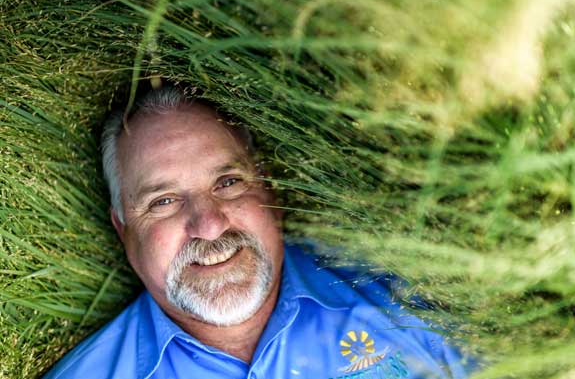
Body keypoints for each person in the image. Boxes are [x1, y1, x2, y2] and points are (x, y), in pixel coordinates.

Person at [44, 85, 475, 379]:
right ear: (123, 228)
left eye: (227, 183)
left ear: (267, 186)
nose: (209, 225)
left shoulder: (416, 298)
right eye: (164, 202)